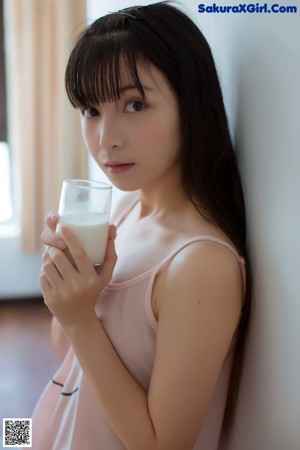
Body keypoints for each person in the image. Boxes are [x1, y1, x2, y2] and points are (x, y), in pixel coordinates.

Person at [34, 2, 252, 449]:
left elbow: (163, 445)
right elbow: (68, 353)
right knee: (4, 430)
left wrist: (79, 319)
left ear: (190, 103)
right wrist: (66, 291)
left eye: (135, 104)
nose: (106, 138)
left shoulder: (201, 264)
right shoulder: (126, 210)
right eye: (90, 110)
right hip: (44, 429)